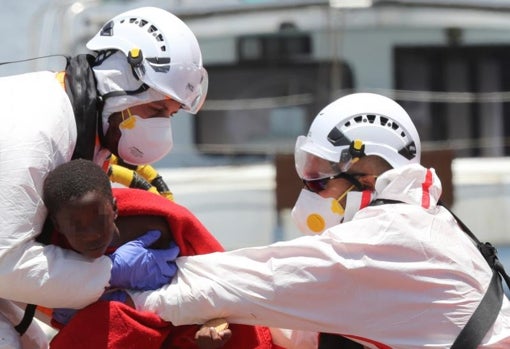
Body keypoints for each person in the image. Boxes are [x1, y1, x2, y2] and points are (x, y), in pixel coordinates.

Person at [125, 93, 510, 348]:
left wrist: (114, 287)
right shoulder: (430, 224)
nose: (311, 194)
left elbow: (240, 282)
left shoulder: (385, 239)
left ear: (367, 177)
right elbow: (304, 329)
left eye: (319, 181)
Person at [0, 6, 207, 348]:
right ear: (118, 84)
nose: (161, 127)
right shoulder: (39, 129)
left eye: (170, 115)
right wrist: (110, 273)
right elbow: (5, 263)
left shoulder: (87, 132)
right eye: (156, 110)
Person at [42, 159, 278, 349]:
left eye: (98, 220)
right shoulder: (50, 252)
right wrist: (112, 274)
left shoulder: (155, 224)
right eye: (77, 226)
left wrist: (211, 327)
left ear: (114, 209)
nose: (91, 234)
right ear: (58, 225)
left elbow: (216, 278)